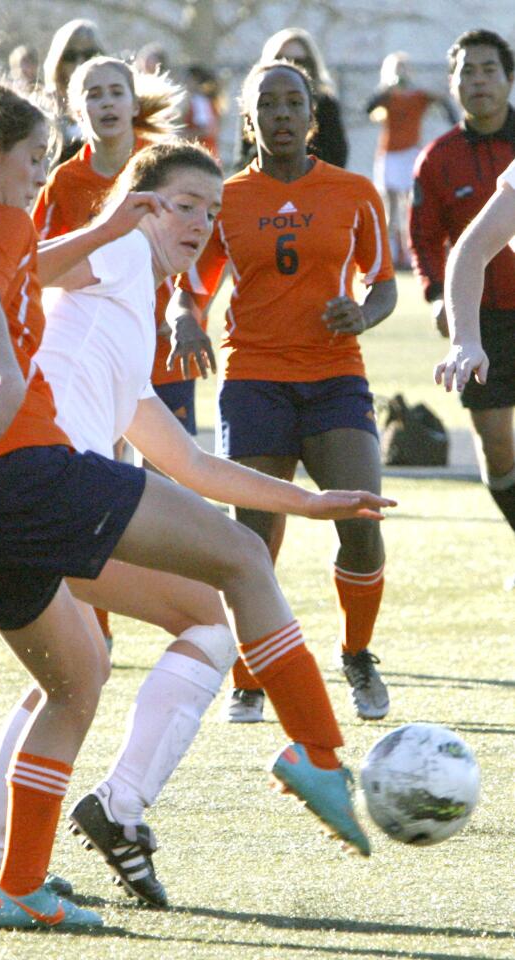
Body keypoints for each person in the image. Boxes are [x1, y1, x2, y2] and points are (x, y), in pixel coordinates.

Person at [0, 64, 386, 933]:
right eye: (186, 205)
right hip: (26, 476)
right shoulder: (104, 253)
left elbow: (188, 463)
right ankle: (315, 752)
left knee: (79, 677)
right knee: (233, 576)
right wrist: (14, 372)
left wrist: (315, 506)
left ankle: (4, 874)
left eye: (214, 211)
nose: (204, 224)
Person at [168, 59, 397, 724]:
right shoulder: (227, 198)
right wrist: (186, 321)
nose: (282, 115)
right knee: (255, 540)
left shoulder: (354, 192)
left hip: (335, 377)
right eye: (266, 104)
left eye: (292, 102)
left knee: (360, 520)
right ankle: (249, 676)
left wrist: (364, 312)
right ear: (250, 119)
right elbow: (193, 283)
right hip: (255, 379)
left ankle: (356, 653)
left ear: (312, 115)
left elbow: (382, 284)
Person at [32, 54, 187, 642]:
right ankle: (93, 629)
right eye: (92, 94)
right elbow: (42, 262)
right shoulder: (65, 183)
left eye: (115, 91)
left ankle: (175, 601)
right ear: (78, 110)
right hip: (90, 351)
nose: (106, 102)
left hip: (154, 345)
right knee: (97, 475)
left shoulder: (162, 167)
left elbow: (194, 247)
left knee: (163, 476)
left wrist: (182, 309)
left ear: (133, 100)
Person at [410, 29, 515, 585]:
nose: (478, 81)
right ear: (453, 83)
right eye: (467, 71)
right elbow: (432, 242)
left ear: (508, 77)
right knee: (498, 449)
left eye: (488, 70)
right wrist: (439, 301)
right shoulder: (438, 159)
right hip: (484, 319)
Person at [368, 51, 457, 269]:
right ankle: (390, 254)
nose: (401, 73)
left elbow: (444, 103)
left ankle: (410, 255)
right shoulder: (387, 96)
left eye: (404, 68)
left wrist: (455, 125)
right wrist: (386, 90)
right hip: (389, 154)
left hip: (410, 154)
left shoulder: (418, 96)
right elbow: (368, 108)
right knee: (389, 207)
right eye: (397, 69)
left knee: (411, 205)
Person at [236, 28, 348, 171]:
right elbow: (242, 158)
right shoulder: (256, 102)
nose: (290, 66)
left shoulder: (325, 103)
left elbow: (337, 156)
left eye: (299, 61)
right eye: (280, 59)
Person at [42, 18, 104, 166]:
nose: (80, 63)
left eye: (90, 55)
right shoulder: (43, 111)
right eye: (70, 56)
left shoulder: (113, 107)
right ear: (58, 61)